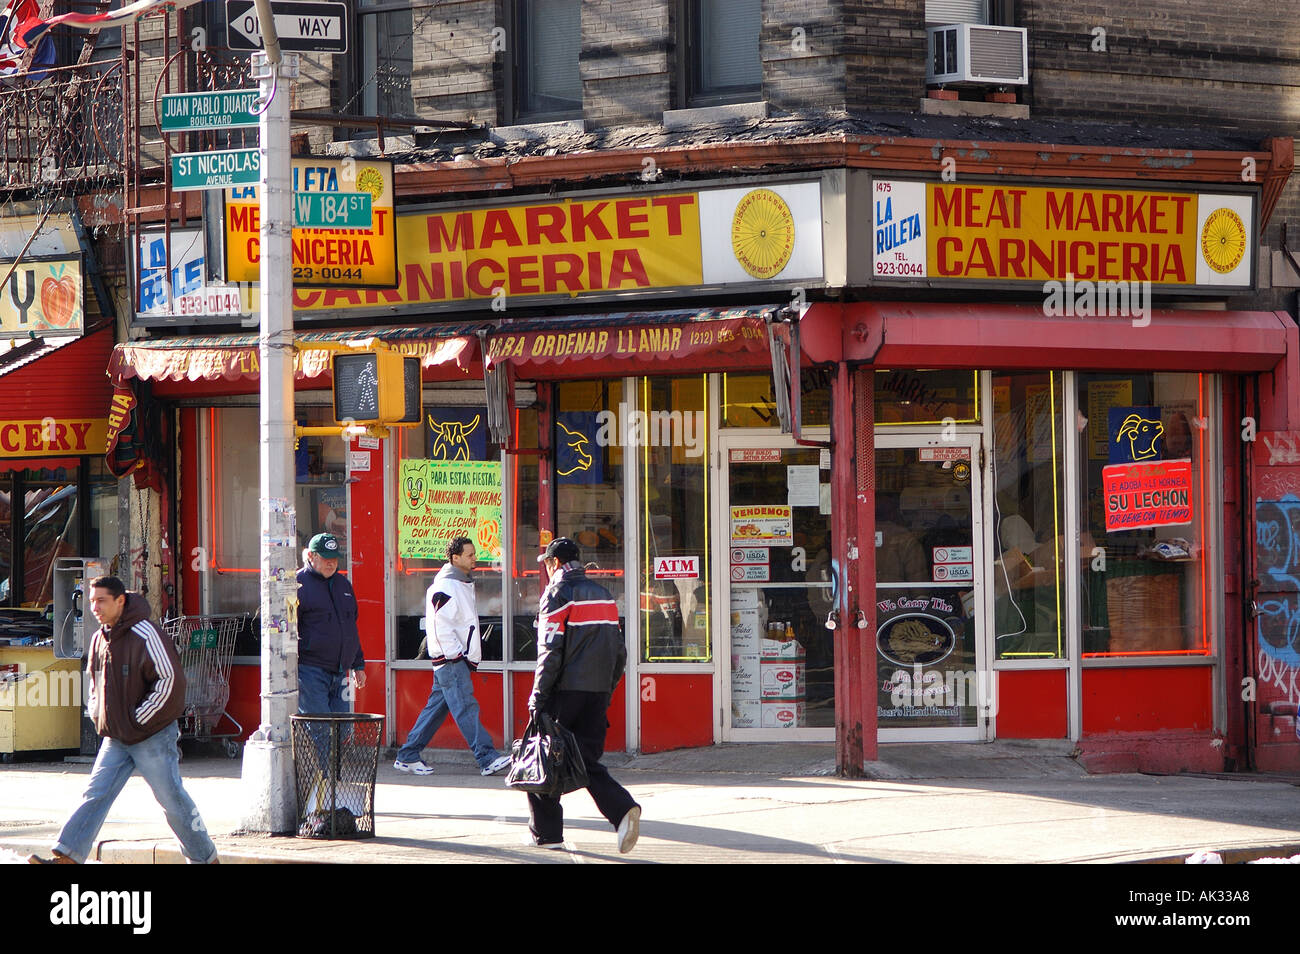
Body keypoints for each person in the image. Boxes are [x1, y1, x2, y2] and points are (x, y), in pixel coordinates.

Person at [29, 576, 218, 864]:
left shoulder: (146, 633)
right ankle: (66, 856)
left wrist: (137, 719)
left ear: (120, 601)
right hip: (116, 736)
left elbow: (170, 681)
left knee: (172, 802)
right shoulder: (98, 638)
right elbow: (95, 683)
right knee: (95, 794)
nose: (95, 607)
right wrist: (98, 713)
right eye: (91, 601)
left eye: (101, 600)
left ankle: (205, 859)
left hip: (151, 735)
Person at [526, 537, 641, 853]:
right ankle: (621, 810)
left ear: (554, 563)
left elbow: (549, 651)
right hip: (597, 692)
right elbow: (619, 652)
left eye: (547, 564)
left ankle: (547, 834)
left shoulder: (557, 593)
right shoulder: (604, 595)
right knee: (584, 759)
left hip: (565, 692)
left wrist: (538, 696)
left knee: (544, 757)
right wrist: (607, 690)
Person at [393, 537, 511, 777]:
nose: (474, 558)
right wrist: (455, 655)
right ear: (454, 558)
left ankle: (407, 755)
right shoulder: (447, 586)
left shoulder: (457, 584)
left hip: (452, 658)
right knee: (466, 707)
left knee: (437, 709)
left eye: (473, 553)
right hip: (451, 660)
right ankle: (487, 758)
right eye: (469, 554)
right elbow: (440, 626)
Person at [296, 532, 367, 714]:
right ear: (311, 556)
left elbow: (351, 627)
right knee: (319, 729)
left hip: (341, 671)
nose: (331, 563)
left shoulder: (343, 584)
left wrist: (358, 665)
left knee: (343, 730)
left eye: (335, 558)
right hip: (311, 671)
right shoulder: (297, 584)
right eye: (325, 558)